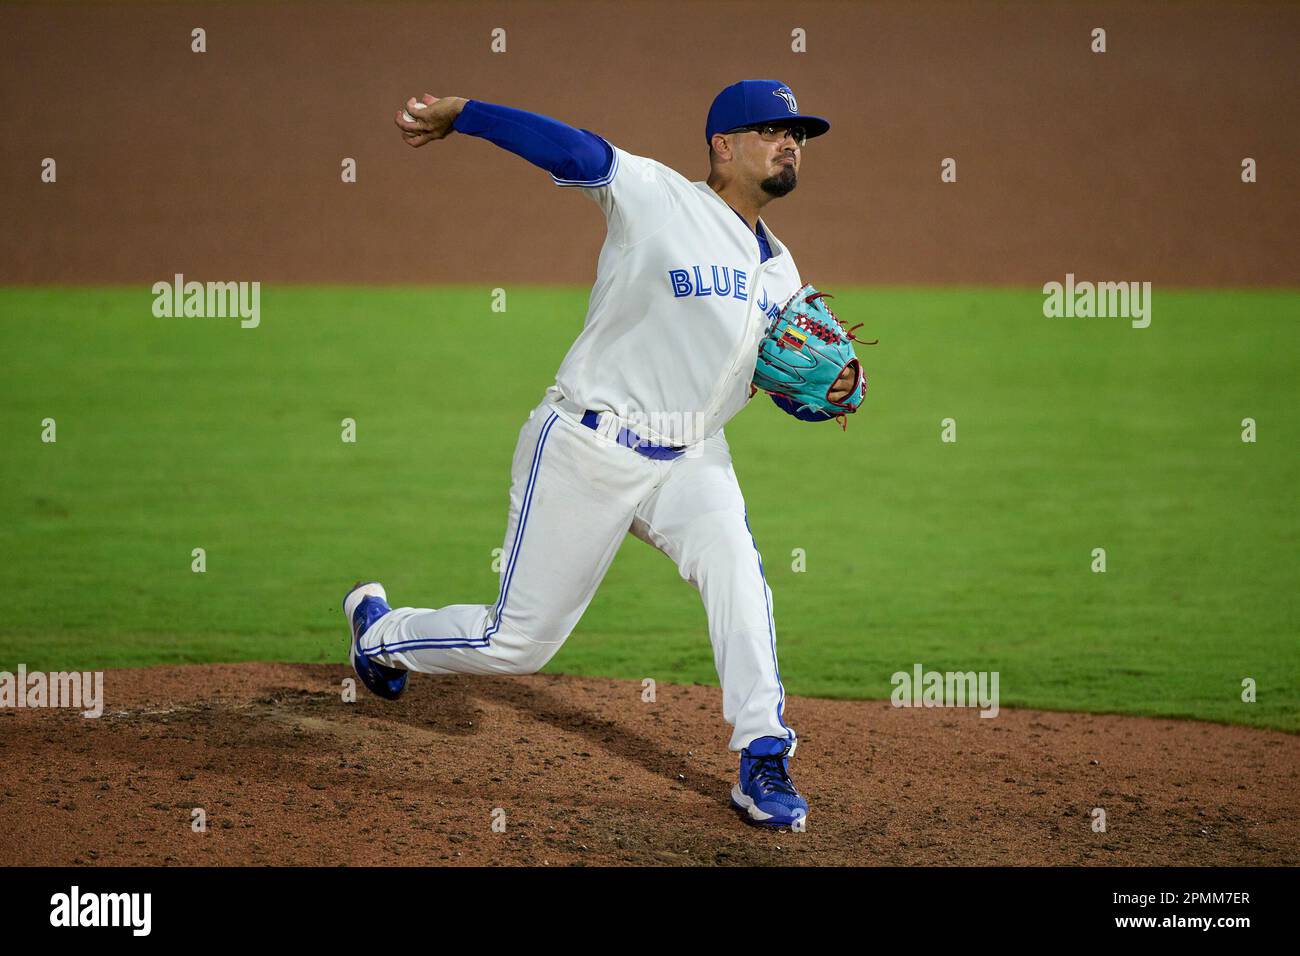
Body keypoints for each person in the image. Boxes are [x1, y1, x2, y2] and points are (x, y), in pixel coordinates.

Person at [345, 80, 853, 829]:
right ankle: (381, 635)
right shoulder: (657, 199)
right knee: (515, 643)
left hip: (692, 458)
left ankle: (763, 755)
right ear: (722, 144)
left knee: (740, 577)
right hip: (587, 444)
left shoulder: (781, 268)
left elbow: (776, 378)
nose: (791, 144)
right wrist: (468, 117)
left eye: (799, 135)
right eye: (773, 130)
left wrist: (830, 383)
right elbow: (575, 149)